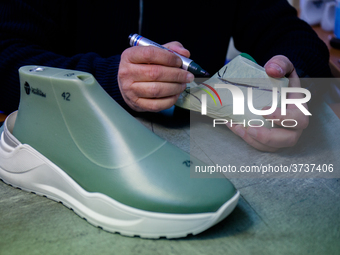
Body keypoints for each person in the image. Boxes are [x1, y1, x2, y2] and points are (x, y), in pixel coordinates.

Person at [0, 0, 332, 152]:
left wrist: (293, 76)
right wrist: (105, 79)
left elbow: (295, 36)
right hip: (71, 145)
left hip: (196, 147)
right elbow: (5, 57)